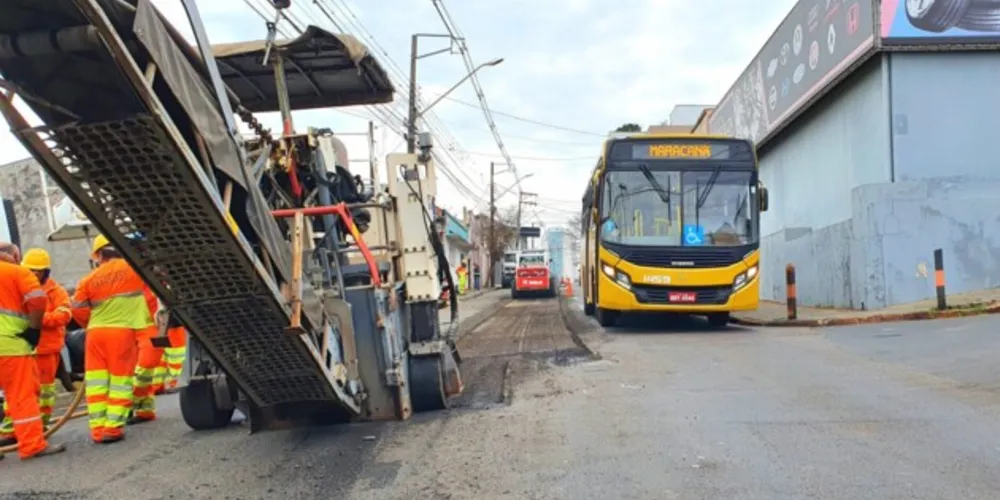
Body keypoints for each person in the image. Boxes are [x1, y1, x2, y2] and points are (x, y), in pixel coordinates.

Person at [71, 235, 154, 444]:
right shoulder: (135, 268)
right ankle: (112, 429)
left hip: (95, 333)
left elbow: (77, 309)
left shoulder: (88, 279)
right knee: (119, 381)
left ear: (100, 255)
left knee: (96, 383)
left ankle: (98, 429)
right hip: (122, 332)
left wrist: (91, 323)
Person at [0, 242, 66, 460]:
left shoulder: (56, 289)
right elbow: (37, 300)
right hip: (10, 345)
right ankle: (32, 445)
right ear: (13, 255)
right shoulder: (16, 273)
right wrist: (35, 328)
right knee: (22, 395)